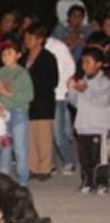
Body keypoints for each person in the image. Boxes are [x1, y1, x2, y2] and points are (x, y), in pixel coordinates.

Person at [0, 42, 34, 185]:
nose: (6, 56)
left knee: (19, 148)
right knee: (4, 148)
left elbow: (28, 96)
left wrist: (6, 93)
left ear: (18, 55)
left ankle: (22, 180)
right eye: (3, 54)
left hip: (18, 112)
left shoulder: (22, 73)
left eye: (9, 53)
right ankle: (5, 180)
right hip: (2, 112)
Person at [68, 47, 110, 194]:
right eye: (83, 62)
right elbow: (74, 102)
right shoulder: (82, 81)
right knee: (85, 159)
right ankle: (87, 181)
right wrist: (72, 90)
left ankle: (102, 183)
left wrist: (86, 91)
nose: (84, 65)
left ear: (98, 64)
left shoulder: (105, 82)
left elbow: (103, 102)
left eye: (88, 62)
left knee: (99, 158)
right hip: (82, 126)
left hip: (99, 127)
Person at [21, 24, 59, 180]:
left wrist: (30, 83)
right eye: (26, 37)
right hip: (26, 103)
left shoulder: (48, 57)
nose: (26, 40)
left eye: (30, 37)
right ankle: (33, 167)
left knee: (43, 136)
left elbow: (53, 81)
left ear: (40, 40)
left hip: (43, 102)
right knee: (29, 136)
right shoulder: (23, 58)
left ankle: (45, 168)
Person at [45, 36, 77, 175]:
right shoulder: (32, 47)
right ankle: (49, 163)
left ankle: (69, 160)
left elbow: (71, 66)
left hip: (58, 94)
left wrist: (62, 85)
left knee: (58, 133)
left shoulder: (58, 45)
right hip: (41, 97)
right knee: (45, 133)